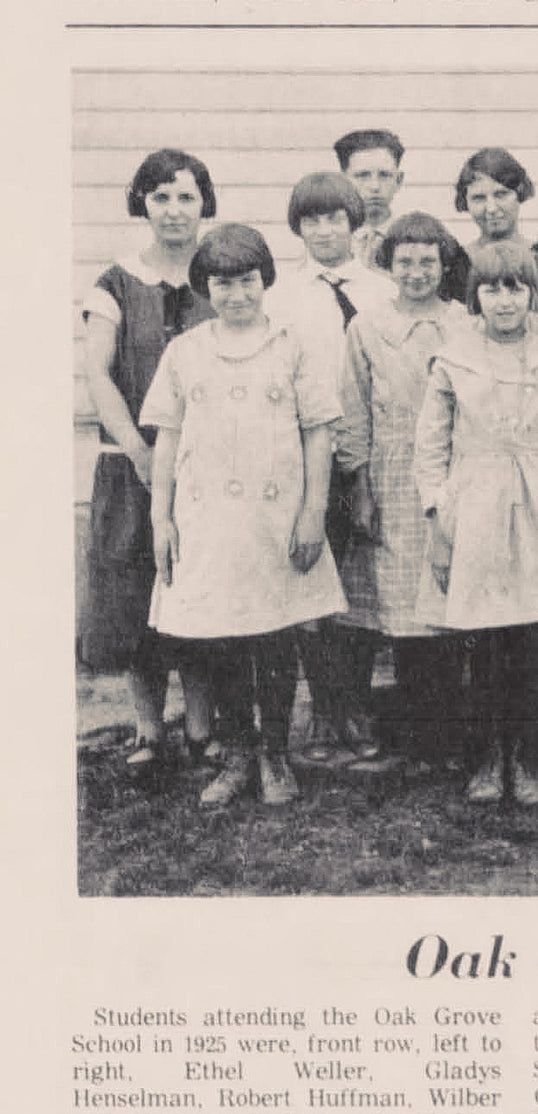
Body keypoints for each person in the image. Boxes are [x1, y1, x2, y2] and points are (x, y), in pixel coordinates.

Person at [141, 223, 347, 807]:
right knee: (223, 640)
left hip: (275, 522)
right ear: (206, 288)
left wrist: (313, 513)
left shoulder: (292, 343)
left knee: (275, 638)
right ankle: (237, 756)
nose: (236, 295)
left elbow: (319, 432)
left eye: (247, 282)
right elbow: (167, 437)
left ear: (266, 281)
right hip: (208, 525)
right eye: (223, 284)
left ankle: (277, 755)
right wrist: (163, 519)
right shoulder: (185, 351)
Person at [413, 241, 538, 806]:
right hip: (475, 507)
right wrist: (441, 524)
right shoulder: (453, 360)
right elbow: (431, 450)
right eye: (492, 289)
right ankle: (489, 757)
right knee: (484, 643)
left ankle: (531, 759)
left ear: (533, 296)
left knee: (531, 641)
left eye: (516, 288)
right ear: (475, 298)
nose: (505, 300)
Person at [80, 149, 221, 773]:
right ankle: (147, 728)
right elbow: (97, 374)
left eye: (185, 197)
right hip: (131, 465)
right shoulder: (114, 283)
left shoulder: (222, 275)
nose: (172, 210)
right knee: (137, 590)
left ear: (204, 204)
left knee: (199, 587)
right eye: (160, 197)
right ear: (142, 203)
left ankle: (201, 728)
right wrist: (139, 450)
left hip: (208, 468)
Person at [332, 212, 471, 770]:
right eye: (405, 261)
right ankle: (400, 730)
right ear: (389, 265)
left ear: (444, 264)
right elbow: (354, 407)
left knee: (441, 599)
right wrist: (360, 484)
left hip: (450, 470)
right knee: (394, 603)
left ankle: (445, 733)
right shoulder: (366, 326)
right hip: (389, 474)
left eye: (428, 262)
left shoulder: (463, 322)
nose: (416, 272)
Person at [267, 172, 395, 767]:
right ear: (298, 228)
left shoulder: (382, 289)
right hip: (305, 455)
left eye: (335, 219)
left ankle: (355, 705)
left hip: (369, 455)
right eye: (312, 220)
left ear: (355, 222)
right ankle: (321, 708)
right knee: (314, 582)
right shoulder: (281, 297)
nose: (324, 230)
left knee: (362, 585)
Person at [453, 148, 538, 307]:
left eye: (501, 195)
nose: (491, 208)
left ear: (520, 193)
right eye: (479, 198)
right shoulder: (458, 266)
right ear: (465, 202)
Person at [334, 128, 406, 270]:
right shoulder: (328, 240)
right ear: (343, 180)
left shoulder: (412, 239)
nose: (375, 186)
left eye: (384, 175)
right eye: (363, 175)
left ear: (398, 181)